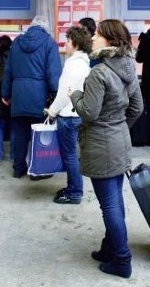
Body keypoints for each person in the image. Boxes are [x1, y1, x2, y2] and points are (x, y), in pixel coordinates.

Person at [69, 19, 143, 278]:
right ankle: (110, 247)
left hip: (101, 143)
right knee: (115, 199)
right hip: (119, 140)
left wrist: (75, 95)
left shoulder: (99, 72)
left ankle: (122, 260)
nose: (94, 38)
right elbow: (137, 108)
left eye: (98, 34)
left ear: (110, 40)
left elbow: (89, 113)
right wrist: (119, 126)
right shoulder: (128, 67)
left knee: (109, 204)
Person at [1, 15, 62, 179]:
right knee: (39, 135)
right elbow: (53, 73)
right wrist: (57, 95)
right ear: (46, 27)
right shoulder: (49, 43)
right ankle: (37, 170)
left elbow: (8, 71)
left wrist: (5, 94)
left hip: (19, 95)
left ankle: (18, 168)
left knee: (20, 134)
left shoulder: (17, 42)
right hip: (39, 96)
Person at [46, 26, 91, 204]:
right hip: (77, 114)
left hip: (68, 116)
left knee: (70, 156)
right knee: (73, 154)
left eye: (68, 40)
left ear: (75, 43)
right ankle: (73, 188)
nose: (66, 43)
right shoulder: (83, 63)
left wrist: (52, 111)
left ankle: (74, 192)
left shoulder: (73, 65)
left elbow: (65, 93)